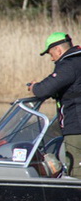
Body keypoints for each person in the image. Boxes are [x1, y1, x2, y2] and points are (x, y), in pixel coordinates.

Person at [28, 32, 81, 177]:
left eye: (51, 54)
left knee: (76, 172)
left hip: (77, 128)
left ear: (58, 50)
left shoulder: (69, 64)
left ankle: (75, 199)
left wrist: (33, 87)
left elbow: (43, 90)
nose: (52, 59)